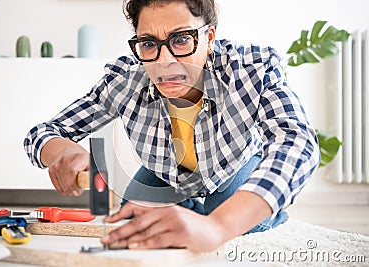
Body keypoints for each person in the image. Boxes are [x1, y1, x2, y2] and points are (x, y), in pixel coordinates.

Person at [24, 0, 320, 252]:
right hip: (167, 176)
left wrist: (216, 227)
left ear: (209, 37)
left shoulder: (249, 69)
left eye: (181, 39)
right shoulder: (124, 81)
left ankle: (260, 215)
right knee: (131, 223)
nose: (164, 61)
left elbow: (297, 141)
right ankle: (191, 212)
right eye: (149, 44)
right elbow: (42, 134)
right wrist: (64, 152)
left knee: (227, 219)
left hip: (229, 169)